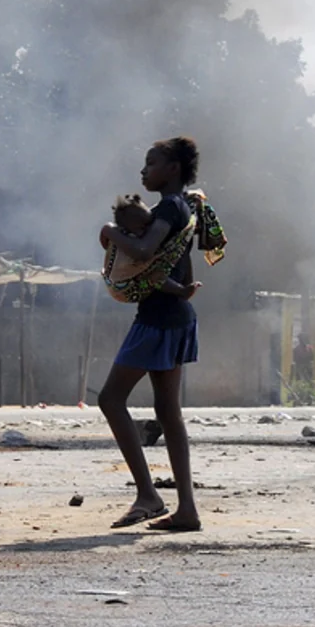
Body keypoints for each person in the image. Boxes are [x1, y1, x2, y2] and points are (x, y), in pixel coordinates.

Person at [98, 136, 203, 533]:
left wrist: (110, 230)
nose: (143, 171)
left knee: (111, 399)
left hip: (158, 319)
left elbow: (143, 253)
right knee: (168, 413)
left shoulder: (169, 208)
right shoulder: (187, 207)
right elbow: (180, 265)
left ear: (172, 168)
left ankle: (148, 494)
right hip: (178, 316)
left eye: (151, 163)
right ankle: (187, 509)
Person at [102, 194, 199, 302]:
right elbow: (143, 254)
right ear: (127, 229)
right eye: (143, 227)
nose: (150, 229)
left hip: (112, 280)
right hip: (124, 288)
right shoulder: (132, 243)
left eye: (150, 223)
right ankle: (181, 291)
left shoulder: (127, 230)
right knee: (155, 275)